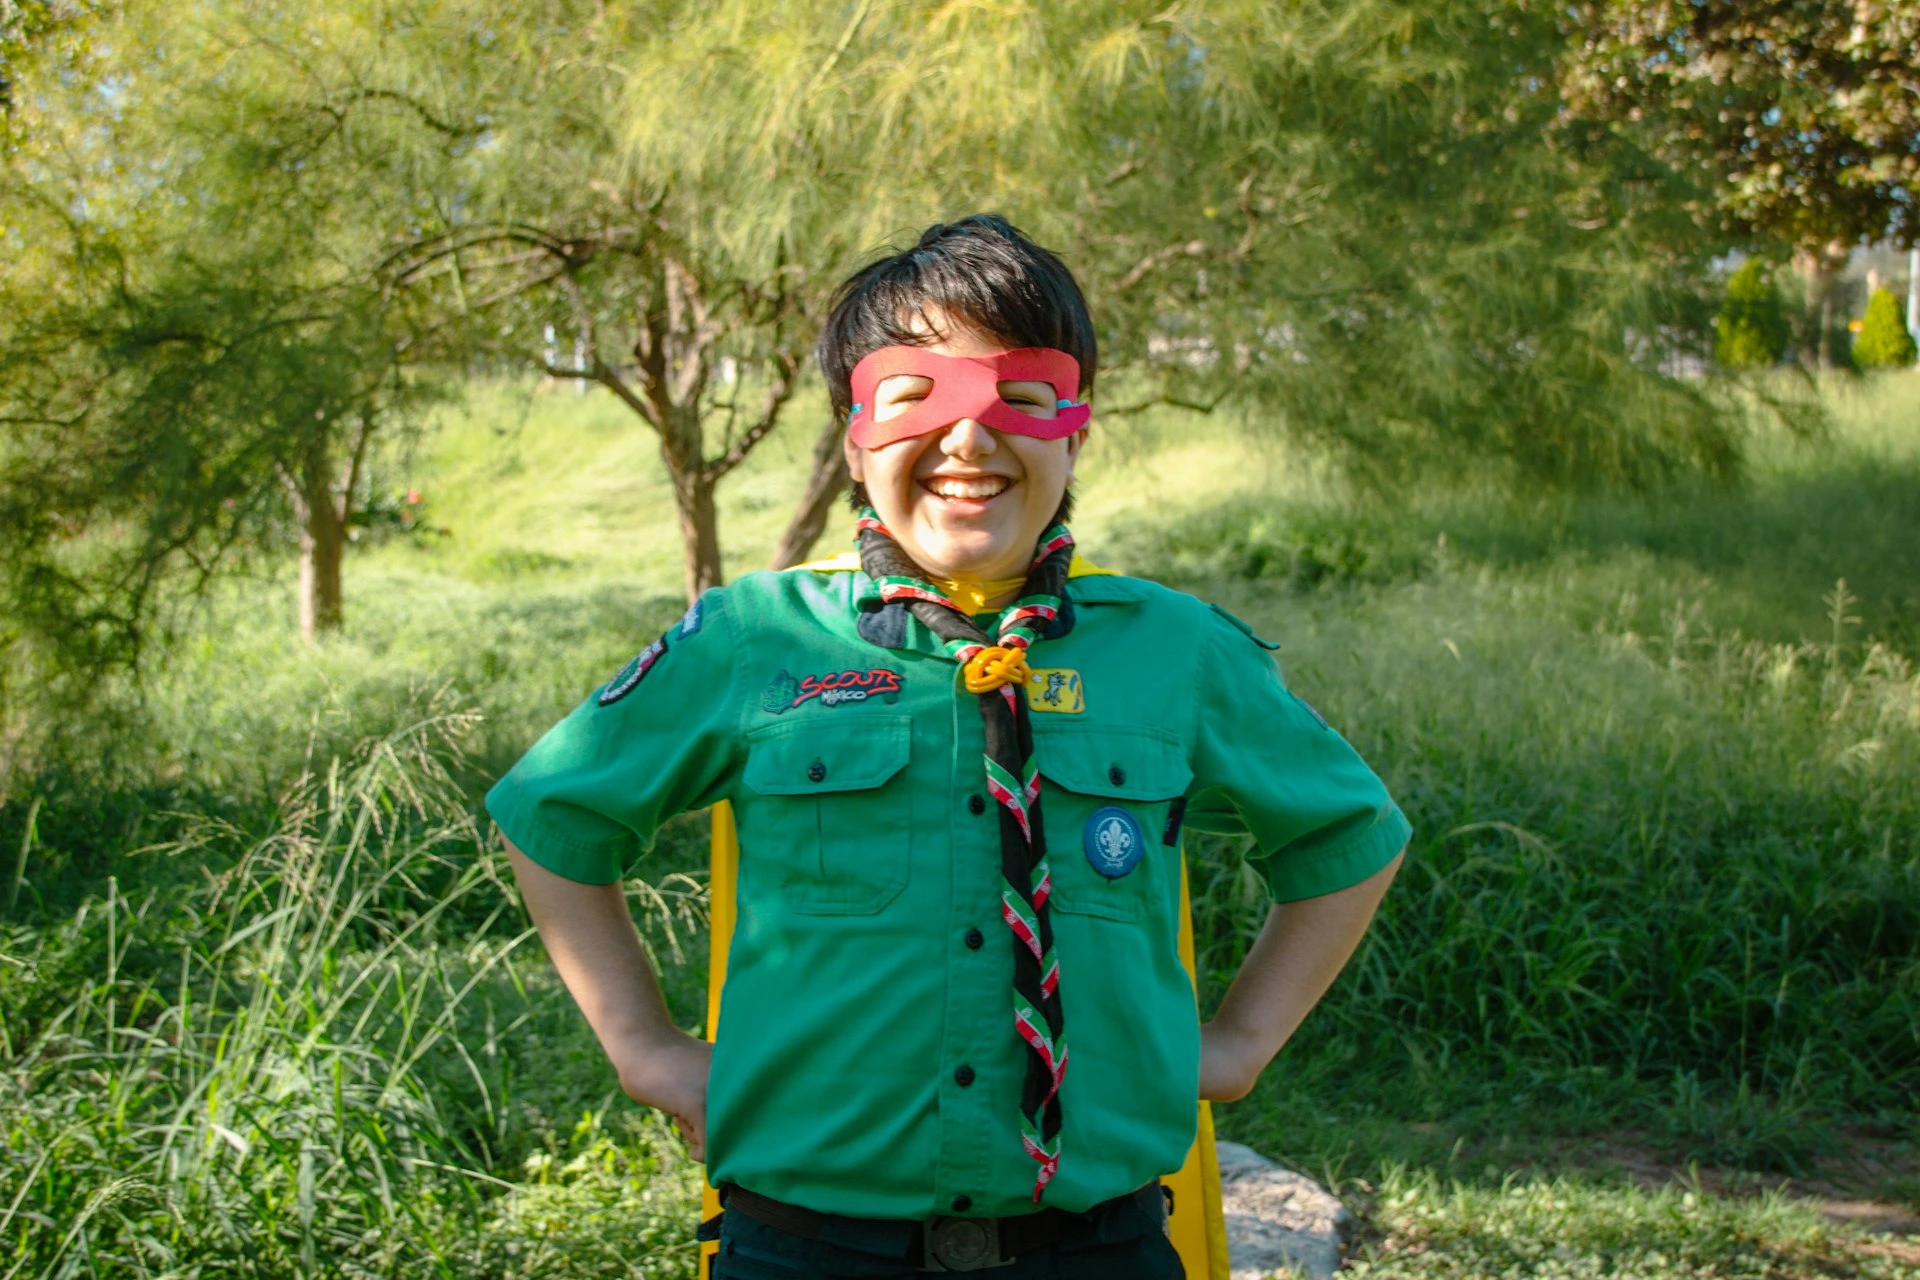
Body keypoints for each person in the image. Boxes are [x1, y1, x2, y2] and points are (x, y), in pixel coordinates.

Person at [486, 214, 1410, 1279]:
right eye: (915, 397)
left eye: (1017, 398)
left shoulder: (1176, 650)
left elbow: (1347, 832)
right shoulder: (757, 639)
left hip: (1094, 1246)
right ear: (854, 440)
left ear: (1075, 431)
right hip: (805, 1247)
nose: (969, 440)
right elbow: (555, 814)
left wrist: (1240, 1045)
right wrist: (645, 1050)